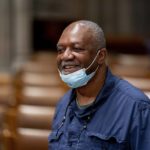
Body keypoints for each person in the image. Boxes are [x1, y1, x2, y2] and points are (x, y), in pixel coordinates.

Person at [48, 20, 150, 150]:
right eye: (60, 50)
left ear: (101, 56)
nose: (65, 56)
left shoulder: (137, 108)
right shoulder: (63, 103)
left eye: (77, 48)